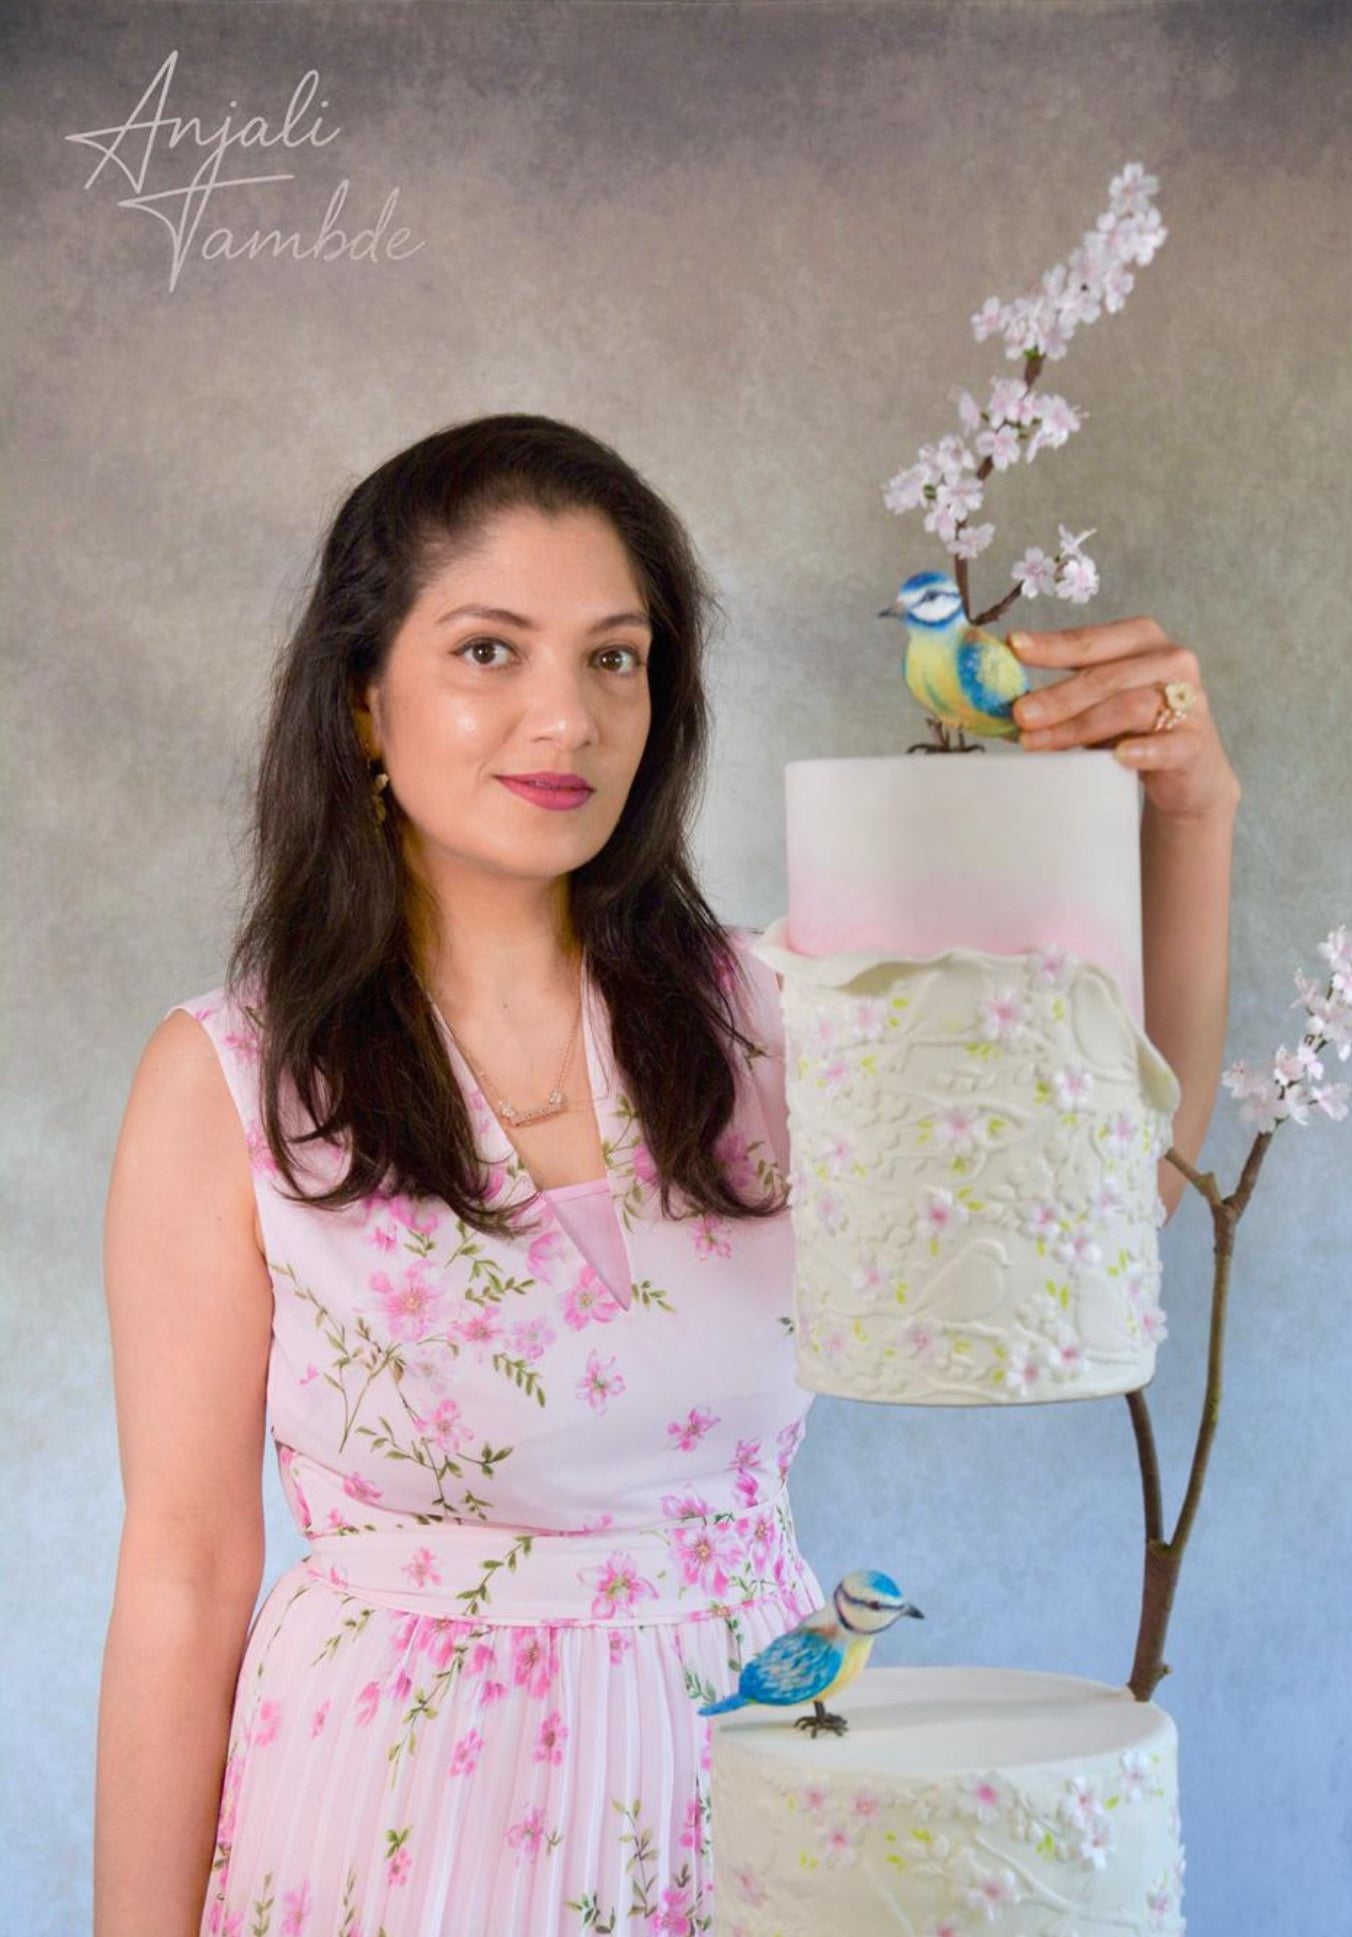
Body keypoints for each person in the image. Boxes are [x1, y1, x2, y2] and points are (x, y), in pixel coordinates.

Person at [96, 414, 825, 1937]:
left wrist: (1186, 825)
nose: (567, 717)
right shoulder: (234, 1079)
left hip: (758, 1803)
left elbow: (1071, 1243)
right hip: (394, 1836)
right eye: (490, 651)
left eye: (615, 658)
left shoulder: (776, 1015)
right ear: (364, 702)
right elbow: (186, 1570)